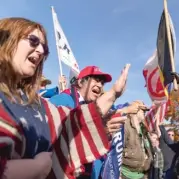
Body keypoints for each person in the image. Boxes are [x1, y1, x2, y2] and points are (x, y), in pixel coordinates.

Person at [0, 17, 130, 179]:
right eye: (33, 41)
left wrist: (111, 97)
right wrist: (35, 168)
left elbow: (70, 127)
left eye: (45, 48)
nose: (40, 50)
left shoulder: (33, 103)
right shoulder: (63, 99)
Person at [50, 66, 125, 179]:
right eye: (96, 80)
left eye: (102, 83)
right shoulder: (61, 100)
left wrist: (104, 134)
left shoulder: (93, 109)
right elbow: (56, 144)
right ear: (80, 82)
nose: (100, 85)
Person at [121, 101, 153, 179]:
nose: (144, 112)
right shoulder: (125, 125)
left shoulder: (144, 128)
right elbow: (117, 152)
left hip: (142, 174)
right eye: (142, 110)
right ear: (134, 110)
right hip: (125, 175)